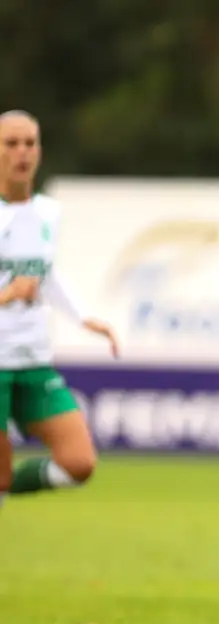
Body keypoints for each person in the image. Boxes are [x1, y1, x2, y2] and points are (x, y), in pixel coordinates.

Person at [0, 110, 120, 508]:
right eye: (11, 143)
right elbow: (18, 285)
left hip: (33, 360)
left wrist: (83, 317)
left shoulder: (48, 213)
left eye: (30, 143)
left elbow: (46, 275)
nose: (22, 152)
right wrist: (8, 294)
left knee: (79, 463)